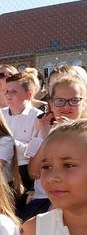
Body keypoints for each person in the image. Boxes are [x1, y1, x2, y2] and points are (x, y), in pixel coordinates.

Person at [22, 73, 87, 221]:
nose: (66, 106)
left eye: (74, 101)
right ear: (51, 104)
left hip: (78, 201)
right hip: (43, 200)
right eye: (60, 101)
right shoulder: (43, 131)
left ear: (83, 103)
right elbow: (33, 172)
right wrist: (48, 137)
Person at [3, 72, 41, 210]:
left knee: (21, 208)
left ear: (28, 95)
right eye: (7, 91)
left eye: (14, 91)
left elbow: (34, 150)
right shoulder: (1, 114)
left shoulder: (37, 117)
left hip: (25, 170)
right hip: (4, 166)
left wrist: (10, 142)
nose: (8, 95)